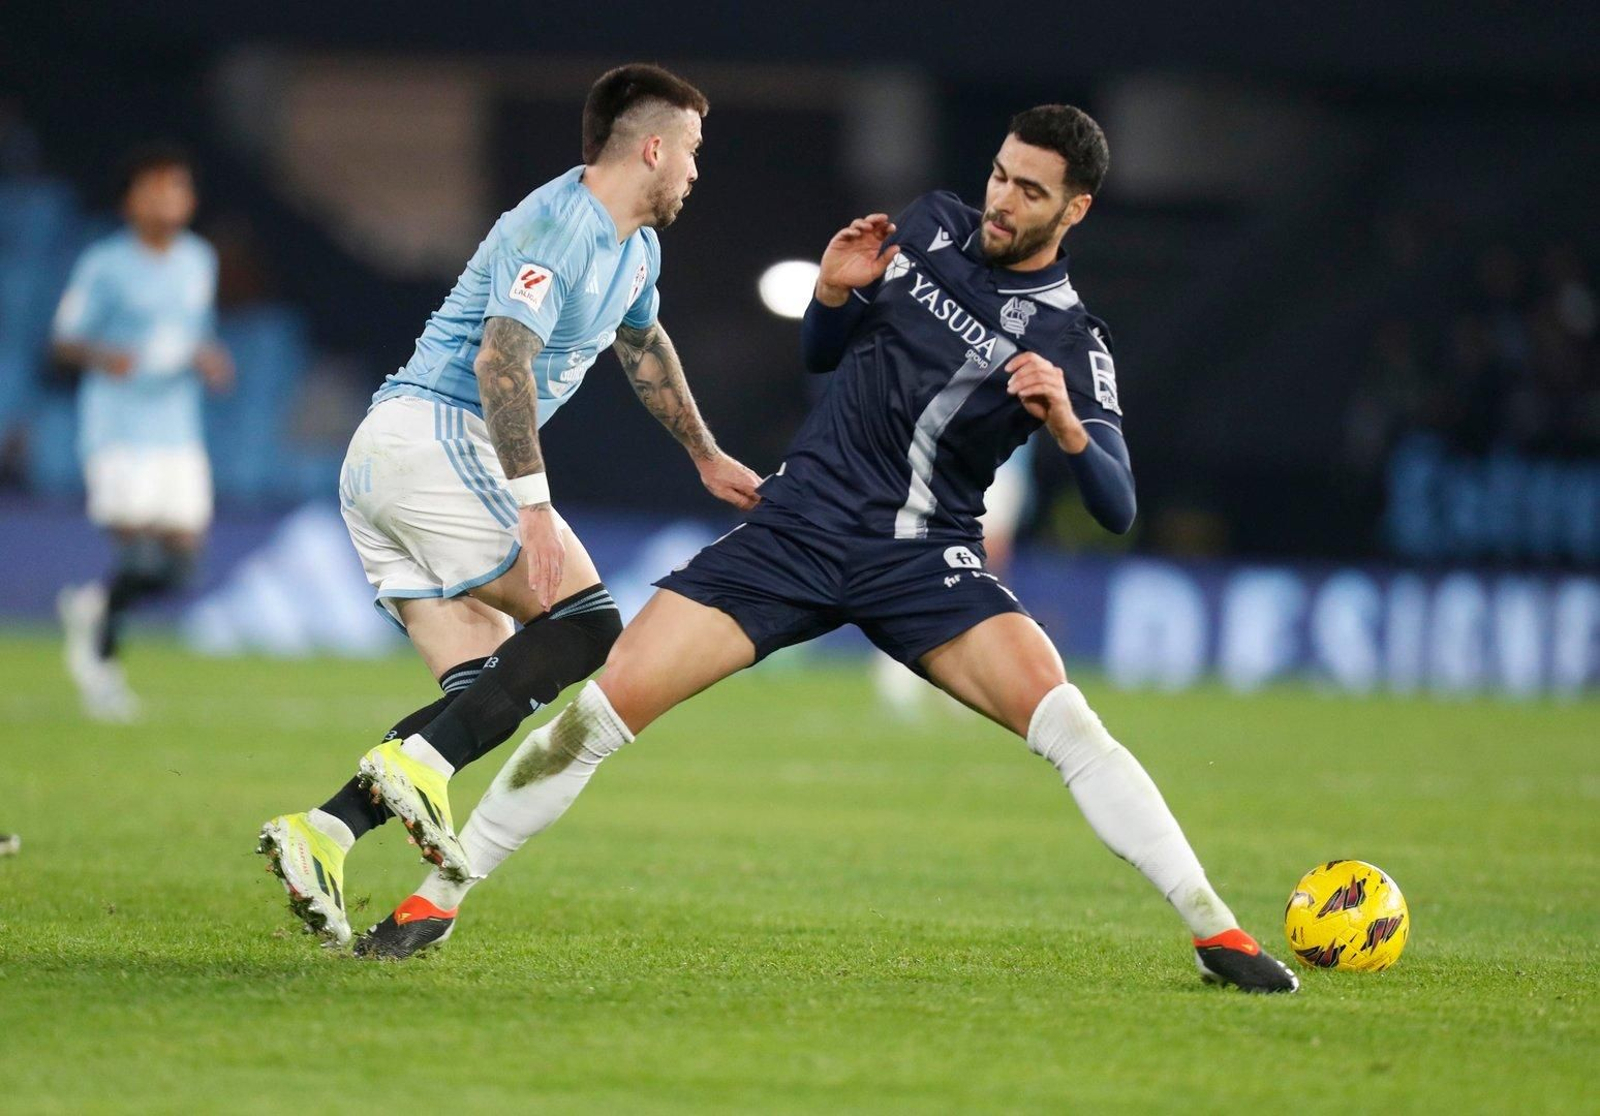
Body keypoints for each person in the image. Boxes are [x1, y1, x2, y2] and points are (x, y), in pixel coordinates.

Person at [359, 105, 1298, 993]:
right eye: (1001, 177)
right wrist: (832, 292)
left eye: (1031, 192)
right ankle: (434, 901)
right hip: (795, 529)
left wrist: (1066, 426)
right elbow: (823, 353)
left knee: (1070, 726)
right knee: (597, 712)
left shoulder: (1071, 340)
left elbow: (1119, 503)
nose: (1003, 203)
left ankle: (1216, 927)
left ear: (1077, 209)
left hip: (921, 558)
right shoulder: (931, 227)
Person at [257, 64, 761, 944]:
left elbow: (642, 344)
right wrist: (531, 508)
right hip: (435, 439)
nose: (694, 170)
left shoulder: (634, 246)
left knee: (483, 693)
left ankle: (322, 832)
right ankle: (412, 766)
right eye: (691, 150)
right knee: (591, 625)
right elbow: (500, 362)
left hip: (392, 463)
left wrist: (704, 452)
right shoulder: (557, 224)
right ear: (651, 146)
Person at [53, 144, 234, 722]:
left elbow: (193, 332)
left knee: (181, 565)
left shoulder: (199, 260)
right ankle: (102, 665)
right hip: (119, 425)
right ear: (131, 199)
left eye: (177, 188)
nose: (167, 199)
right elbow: (64, 340)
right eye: (155, 188)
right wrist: (110, 358)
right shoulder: (104, 263)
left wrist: (209, 358)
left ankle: (92, 606)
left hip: (177, 428)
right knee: (136, 550)